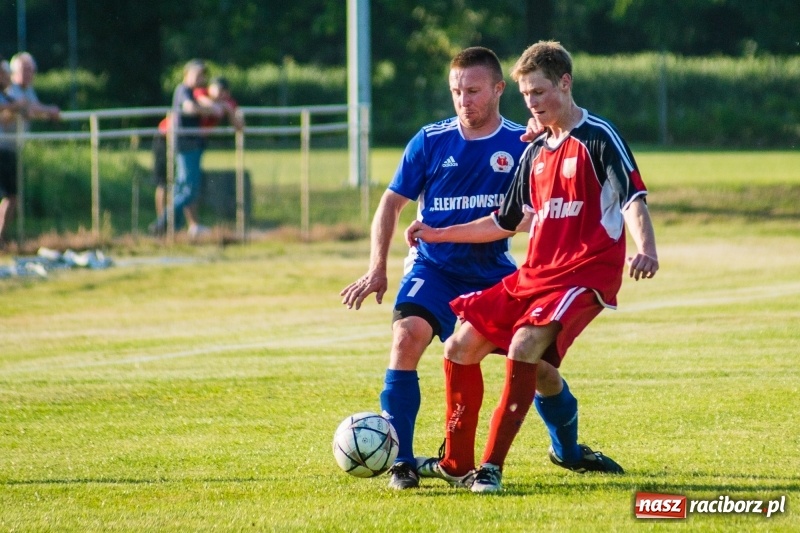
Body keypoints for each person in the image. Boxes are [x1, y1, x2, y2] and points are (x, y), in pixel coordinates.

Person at [406, 41, 659, 493]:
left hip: (585, 274)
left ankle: (491, 468)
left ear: (565, 83)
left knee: (524, 346)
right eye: (525, 96)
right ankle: (456, 463)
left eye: (539, 93)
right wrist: (438, 233)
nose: (532, 104)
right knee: (460, 345)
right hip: (535, 275)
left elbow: (632, 199)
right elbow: (502, 221)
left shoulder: (598, 136)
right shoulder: (534, 151)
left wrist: (647, 247)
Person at [340, 47, 531, 490]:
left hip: (492, 271)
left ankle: (568, 445)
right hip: (434, 269)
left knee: (535, 364)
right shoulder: (430, 140)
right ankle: (402, 461)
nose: (464, 100)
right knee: (406, 337)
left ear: (499, 89)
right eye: (456, 91)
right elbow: (391, 202)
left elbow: (532, 216)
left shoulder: (522, 144)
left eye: (473, 90)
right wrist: (377, 268)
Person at [150, 75, 241, 234]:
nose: (222, 95)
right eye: (219, 90)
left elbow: (238, 124)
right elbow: (197, 103)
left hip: (191, 142)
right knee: (175, 186)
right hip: (168, 137)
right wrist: (215, 107)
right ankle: (163, 223)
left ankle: (176, 226)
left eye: (225, 92)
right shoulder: (199, 92)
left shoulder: (226, 102)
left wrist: (226, 109)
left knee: (185, 187)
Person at [0, 57, 23, 247]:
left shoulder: (8, 95)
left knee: (11, 195)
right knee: (10, 195)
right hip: (3, 149)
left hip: (7, 150)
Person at [7, 52, 60, 124]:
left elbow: (35, 105)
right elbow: (26, 107)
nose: (28, 74)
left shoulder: (28, 88)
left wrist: (47, 112)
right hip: (5, 134)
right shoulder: (9, 88)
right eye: (24, 70)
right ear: (14, 72)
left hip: (19, 134)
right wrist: (49, 110)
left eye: (31, 70)